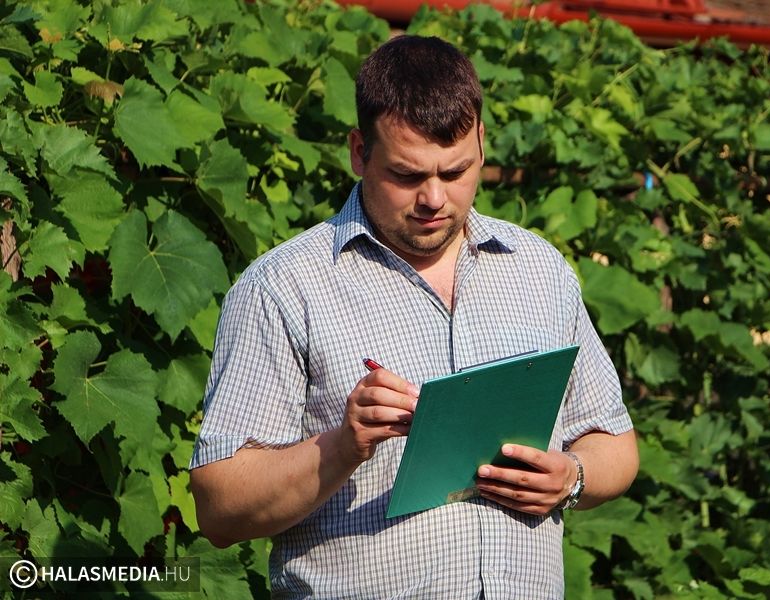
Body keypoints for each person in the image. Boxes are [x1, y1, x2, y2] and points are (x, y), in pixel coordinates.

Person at [189, 35, 638, 599]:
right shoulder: (284, 288)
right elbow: (219, 507)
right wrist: (344, 444)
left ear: (481, 145)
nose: (434, 198)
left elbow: (614, 444)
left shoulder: (539, 271)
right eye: (407, 175)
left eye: (456, 172)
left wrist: (571, 476)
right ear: (359, 152)